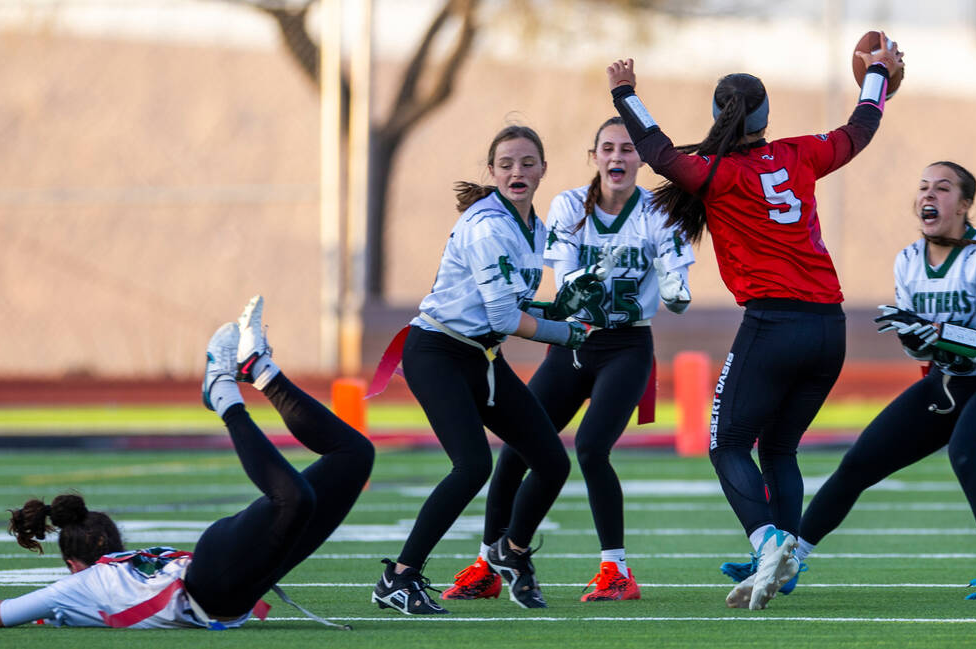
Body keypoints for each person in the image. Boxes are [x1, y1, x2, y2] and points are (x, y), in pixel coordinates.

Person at [605, 34, 904, 610]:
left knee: (726, 445)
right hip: (829, 326)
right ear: (767, 116)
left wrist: (625, 93)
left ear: (719, 115)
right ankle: (785, 555)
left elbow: (657, 151)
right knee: (782, 449)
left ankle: (768, 542)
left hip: (774, 325)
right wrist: (877, 76)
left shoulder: (716, 173)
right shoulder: (800, 154)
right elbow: (860, 128)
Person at [0, 296, 375, 629]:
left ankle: (222, 394)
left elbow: (2, 613)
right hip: (232, 575)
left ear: (74, 563)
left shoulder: (83, 584)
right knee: (355, 456)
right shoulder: (110, 572)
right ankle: (261, 370)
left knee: (295, 498)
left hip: (215, 579)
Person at [440, 116, 695, 603]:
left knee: (592, 448)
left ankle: (616, 570)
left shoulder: (659, 212)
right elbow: (569, 285)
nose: (617, 157)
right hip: (573, 341)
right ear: (593, 156)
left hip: (626, 344)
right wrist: (580, 292)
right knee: (516, 449)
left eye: (627, 149)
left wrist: (674, 283)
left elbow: (678, 294)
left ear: (641, 157)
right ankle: (488, 563)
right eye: (607, 148)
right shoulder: (568, 205)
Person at [370, 125, 596, 614]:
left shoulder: (531, 226)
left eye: (528, 162)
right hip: (438, 351)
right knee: (473, 465)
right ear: (492, 172)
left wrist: (558, 309)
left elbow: (506, 302)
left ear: (543, 170)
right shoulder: (489, 224)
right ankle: (399, 577)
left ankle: (509, 553)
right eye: (508, 163)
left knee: (553, 462)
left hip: (480, 356)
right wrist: (567, 333)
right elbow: (499, 317)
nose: (518, 171)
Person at [793, 161, 976, 600]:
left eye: (943, 189)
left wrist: (942, 333)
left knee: (967, 455)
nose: (929, 195)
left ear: (965, 204)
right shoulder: (908, 260)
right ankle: (787, 561)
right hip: (947, 380)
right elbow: (919, 352)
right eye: (924, 187)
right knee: (858, 463)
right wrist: (916, 337)